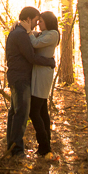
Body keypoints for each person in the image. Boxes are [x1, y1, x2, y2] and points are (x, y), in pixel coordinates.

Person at [5, 6, 56, 157]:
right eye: (35, 20)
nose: (36, 23)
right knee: (21, 113)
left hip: (18, 77)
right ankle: (17, 151)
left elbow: (36, 37)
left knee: (15, 112)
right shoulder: (21, 34)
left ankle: (12, 146)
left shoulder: (20, 31)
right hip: (20, 78)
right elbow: (31, 57)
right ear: (28, 19)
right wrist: (50, 61)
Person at [29, 11, 59, 157]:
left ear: (48, 20)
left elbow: (34, 42)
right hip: (38, 74)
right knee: (41, 111)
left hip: (42, 75)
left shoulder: (53, 34)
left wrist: (27, 31)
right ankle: (46, 144)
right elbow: (35, 35)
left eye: (40, 21)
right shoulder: (45, 33)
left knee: (34, 111)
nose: (38, 23)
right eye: (38, 21)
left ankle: (44, 145)